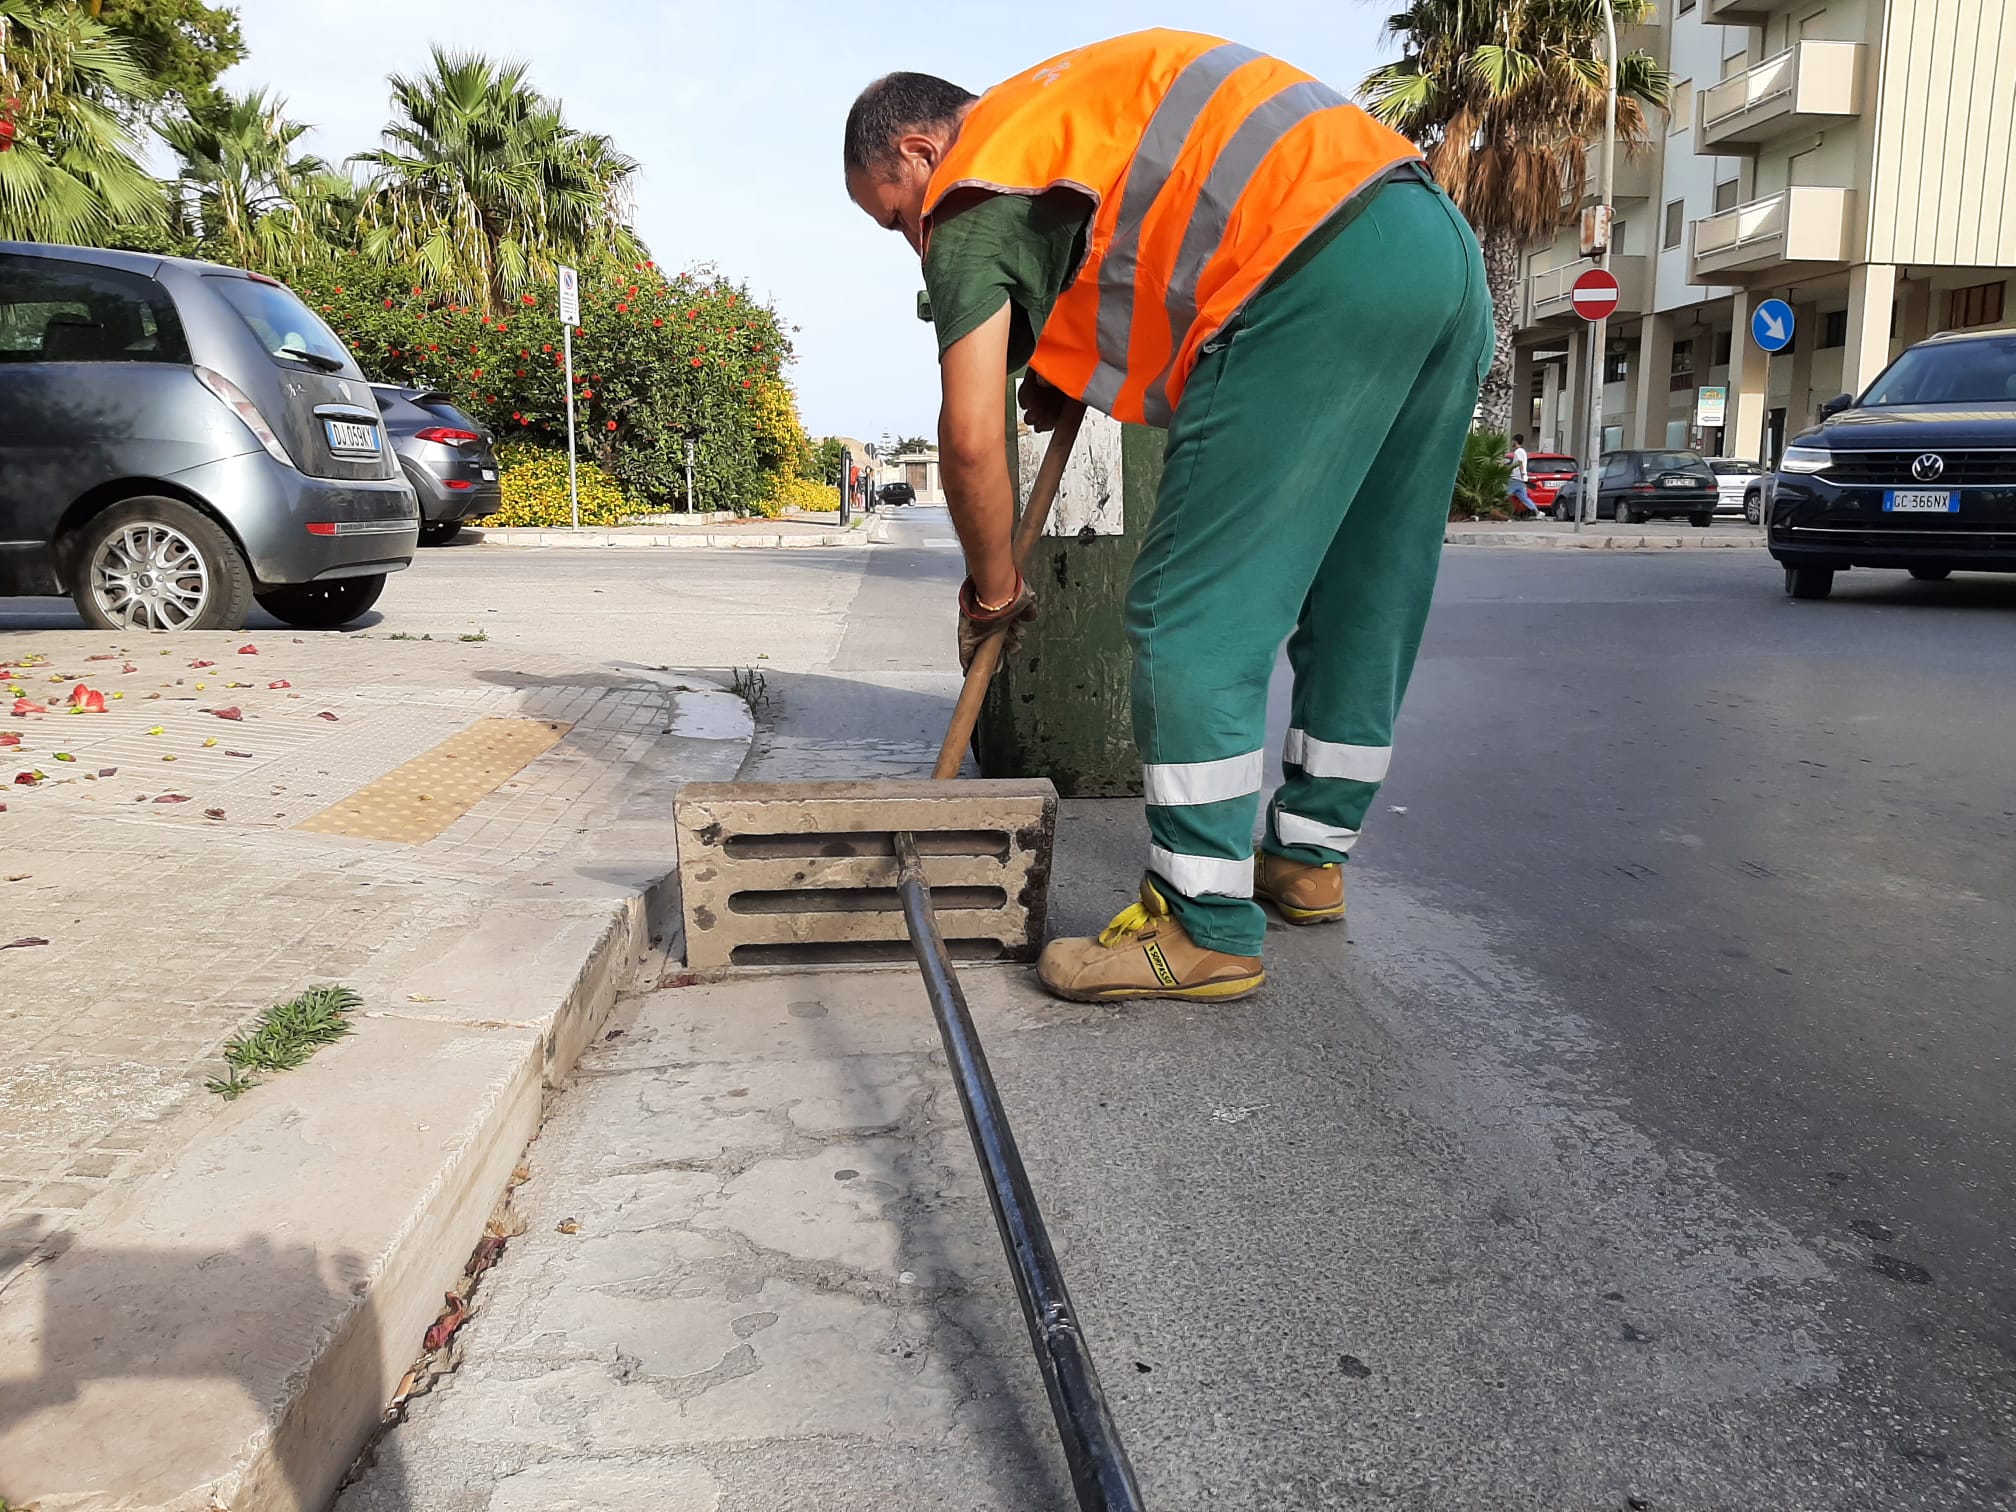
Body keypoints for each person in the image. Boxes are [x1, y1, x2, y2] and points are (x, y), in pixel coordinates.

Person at [843, 30, 1491, 1004]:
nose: (916, 241)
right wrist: (1070, 370)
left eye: (897, 218)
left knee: (1186, 616)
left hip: (1306, 269)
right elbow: (1134, 253)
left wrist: (993, 589)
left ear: (917, 154)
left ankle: (1200, 923)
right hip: (1430, 250)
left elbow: (970, 438)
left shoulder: (971, 190)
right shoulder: (1059, 116)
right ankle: (1306, 859)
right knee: (1366, 592)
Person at [1508, 434, 1544, 517]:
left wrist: (1522, 475)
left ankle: (1496, 510)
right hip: (1520, 479)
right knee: (1524, 498)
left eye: (1513, 441)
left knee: (1503, 494)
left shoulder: (1518, 452)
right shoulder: (1523, 451)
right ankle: (1537, 512)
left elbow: (1520, 463)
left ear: (1516, 441)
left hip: (1516, 478)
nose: (1512, 443)